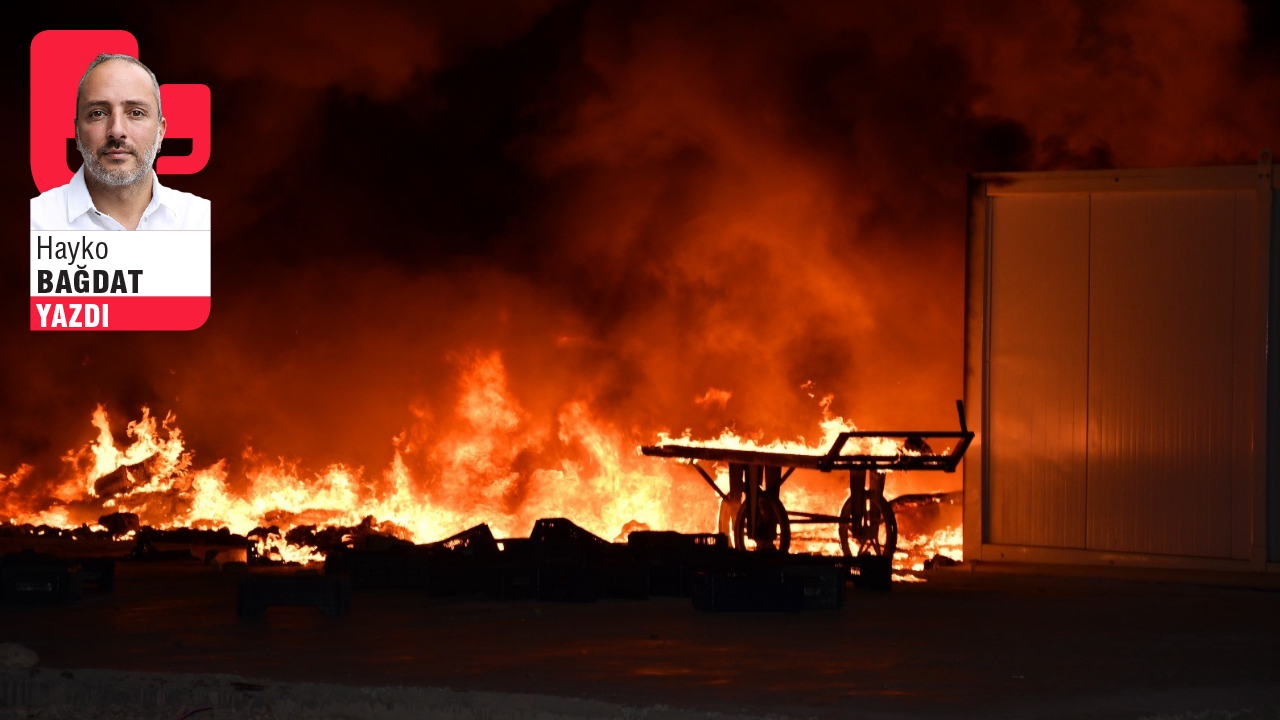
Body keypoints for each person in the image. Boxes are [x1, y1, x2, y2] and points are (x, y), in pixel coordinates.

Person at [30, 53, 210, 231]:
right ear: (77, 134)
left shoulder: (201, 222)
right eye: (98, 113)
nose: (116, 131)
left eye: (136, 113)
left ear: (160, 132)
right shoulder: (36, 223)